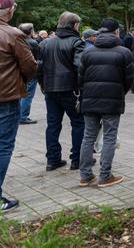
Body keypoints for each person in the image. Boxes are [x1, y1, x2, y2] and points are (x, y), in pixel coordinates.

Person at [78, 18, 134, 188]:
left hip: (89, 99)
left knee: (88, 137)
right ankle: (105, 175)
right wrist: (119, 93)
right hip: (112, 100)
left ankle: (85, 175)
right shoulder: (124, 52)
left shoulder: (87, 52)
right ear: (116, 32)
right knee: (109, 137)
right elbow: (129, 80)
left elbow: (80, 79)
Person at [0, 0, 38, 211]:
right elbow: (30, 66)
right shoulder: (13, 34)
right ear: (10, 11)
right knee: (3, 146)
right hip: (6, 98)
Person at [39, 11, 86, 171]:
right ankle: (77, 159)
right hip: (69, 89)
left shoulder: (45, 43)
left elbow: (39, 68)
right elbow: (80, 67)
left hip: (50, 89)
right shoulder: (77, 42)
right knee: (79, 123)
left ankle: (52, 159)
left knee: (52, 124)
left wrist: (43, 85)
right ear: (74, 25)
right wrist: (81, 88)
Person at [18, 23, 40, 125]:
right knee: (27, 95)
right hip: (30, 73)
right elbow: (37, 59)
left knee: (19, 94)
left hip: (18, 72)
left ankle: (18, 115)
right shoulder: (33, 43)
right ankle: (23, 117)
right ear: (31, 31)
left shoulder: (16, 41)